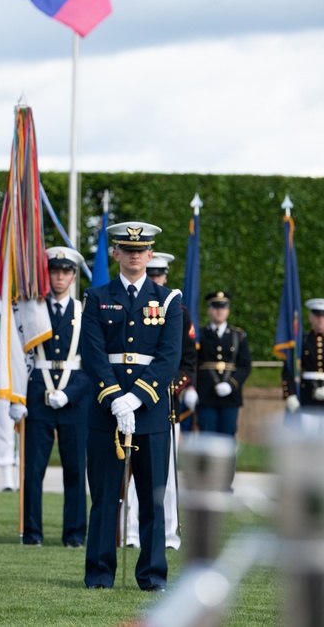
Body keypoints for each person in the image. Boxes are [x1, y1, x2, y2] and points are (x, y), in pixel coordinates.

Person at [81, 221, 182, 592]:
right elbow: (92, 353)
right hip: (105, 411)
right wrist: (113, 397)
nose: (135, 254)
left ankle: (153, 576)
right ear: (116, 253)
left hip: (151, 411)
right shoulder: (95, 297)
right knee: (106, 497)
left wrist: (136, 397)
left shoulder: (169, 299)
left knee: (153, 501)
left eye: (142, 250)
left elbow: (169, 357)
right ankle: (99, 574)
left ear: (150, 254)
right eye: (127, 248)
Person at [9, 246, 89, 548]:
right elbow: (17, 354)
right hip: (37, 396)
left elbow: (92, 363)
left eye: (65, 272)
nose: (59, 277)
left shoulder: (84, 311)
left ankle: (74, 535)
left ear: (73, 276)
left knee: (75, 472)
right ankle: (32, 534)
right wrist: (16, 397)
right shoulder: (31, 309)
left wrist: (70, 394)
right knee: (33, 471)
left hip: (75, 401)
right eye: (54, 271)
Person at [123, 252, 198, 550]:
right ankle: (128, 534)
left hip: (164, 404)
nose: (154, 280)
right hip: (127, 400)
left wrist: (168, 386)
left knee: (163, 477)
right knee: (127, 477)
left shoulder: (177, 309)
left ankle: (167, 535)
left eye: (159, 275)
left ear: (165, 276)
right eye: (150, 274)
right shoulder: (129, 305)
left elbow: (186, 361)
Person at [195, 292, 251, 439]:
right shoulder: (199, 334)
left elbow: (245, 365)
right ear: (209, 310)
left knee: (228, 437)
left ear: (228, 310)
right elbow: (193, 363)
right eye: (215, 306)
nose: (219, 310)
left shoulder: (238, 335)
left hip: (230, 396)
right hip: (205, 394)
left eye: (223, 307)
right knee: (207, 437)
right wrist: (191, 388)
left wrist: (231, 385)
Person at [283, 299, 324, 424]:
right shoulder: (302, 342)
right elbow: (289, 370)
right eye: (317, 316)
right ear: (311, 317)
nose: (321, 320)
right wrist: (290, 394)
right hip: (306, 397)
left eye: (323, 316)